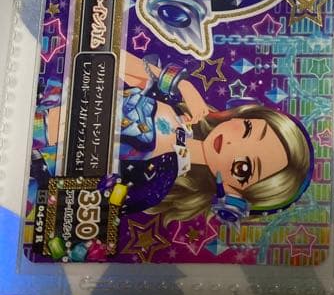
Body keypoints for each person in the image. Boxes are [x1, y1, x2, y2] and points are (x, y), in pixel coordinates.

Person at [33, 51, 312, 224]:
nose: (232, 144)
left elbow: (94, 202)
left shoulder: (159, 181)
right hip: (47, 104)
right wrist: (182, 84)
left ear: (234, 195)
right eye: (247, 129)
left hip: (44, 154)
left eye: (244, 167)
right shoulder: (174, 107)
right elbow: (108, 57)